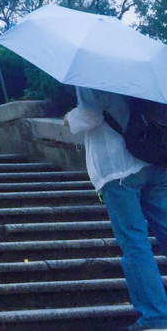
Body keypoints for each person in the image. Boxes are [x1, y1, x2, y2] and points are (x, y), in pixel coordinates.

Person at [67, 88, 167, 330]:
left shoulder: (93, 74)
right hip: (155, 157)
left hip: (118, 167)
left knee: (134, 242)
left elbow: (90, 115)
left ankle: (156, 315)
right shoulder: (143, 71)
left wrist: (69, 118)